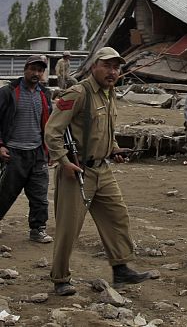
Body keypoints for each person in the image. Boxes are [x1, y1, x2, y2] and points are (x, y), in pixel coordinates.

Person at [44, 47, 152, 296]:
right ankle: (61, 279)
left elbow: (104, 130)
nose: (113, 72)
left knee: (117, 215)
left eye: (116, 67)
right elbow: (53, 130)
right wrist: (63, 161)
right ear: (94, 66)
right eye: (107, 66)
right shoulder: (78, 92)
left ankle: (121, 269)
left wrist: (113, 148)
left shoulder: (109, 92)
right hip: (77, 170)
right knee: (69, 227)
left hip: (103, 169)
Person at [0, 55, 53, 243]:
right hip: (13, 153)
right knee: (5, 193)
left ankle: (37, 229)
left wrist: (50, 150)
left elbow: (50, 124)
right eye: (33, 69)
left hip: (37, 152)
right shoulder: (8, 92)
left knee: (40, 195)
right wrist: (0, 146)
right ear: (25, 69)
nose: (36, 73)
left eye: (40, 70)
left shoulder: (44, 94)